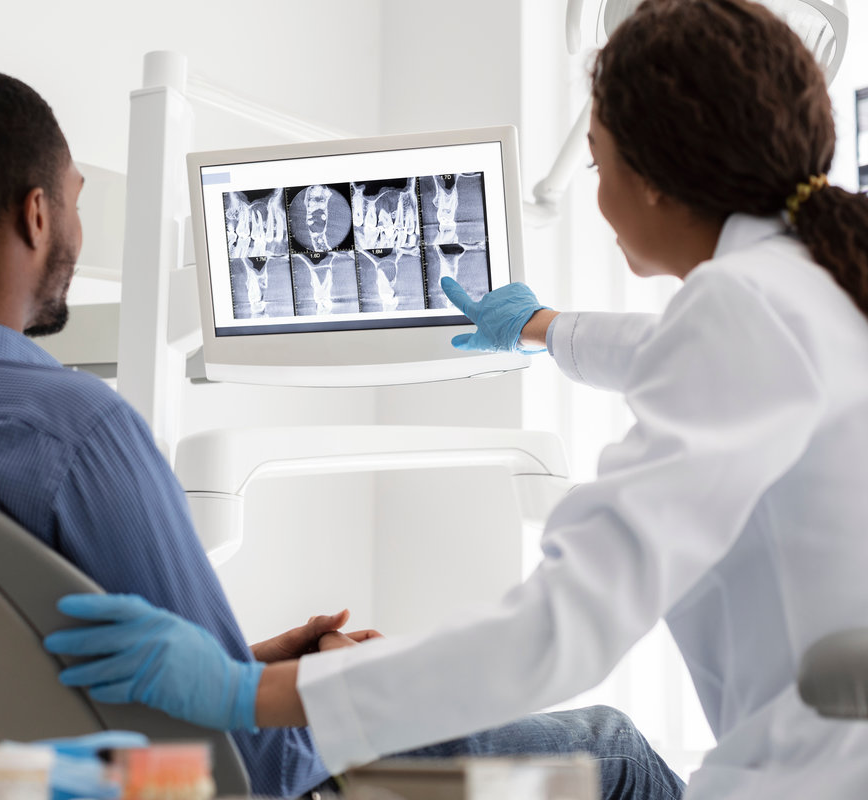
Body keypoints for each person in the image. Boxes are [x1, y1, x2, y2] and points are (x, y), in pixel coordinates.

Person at [46, 1, 868, 797]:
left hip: (798, 776)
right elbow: (669, 358)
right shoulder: (822, 282)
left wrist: (241, 693)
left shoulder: (741, 312)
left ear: (653, 181)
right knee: (612, 743)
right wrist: (538, 326)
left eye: (594, 159)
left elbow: (559, 632)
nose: (593, 185)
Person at [0, 67, 683, 798]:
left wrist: (252, 668)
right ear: (36, 216)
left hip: (39, 785)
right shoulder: (75, 432)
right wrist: (328, 682)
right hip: (268, 787)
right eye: (71, 205)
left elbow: (11, 689)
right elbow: (253, 762)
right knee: (617, 753)